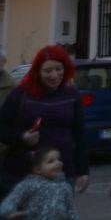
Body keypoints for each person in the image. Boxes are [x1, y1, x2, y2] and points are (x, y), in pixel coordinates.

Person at [0, 46, 88, 200]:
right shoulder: (20, 94)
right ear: (37, 72)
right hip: (22, 175)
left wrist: (83, 170)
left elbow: (79, 134)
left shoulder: (72, 94)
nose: (54, 75)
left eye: (59, 69)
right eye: (47, 71)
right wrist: (22, 138)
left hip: (62, 173)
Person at [0, 148, 77, 220]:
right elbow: (12, 199)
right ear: (37, 169)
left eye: (59, 159)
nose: (58, 163)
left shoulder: (65, 186)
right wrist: (9, 212)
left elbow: (71, 209)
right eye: (51, 161)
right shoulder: (29, 184)